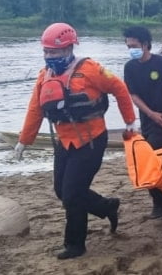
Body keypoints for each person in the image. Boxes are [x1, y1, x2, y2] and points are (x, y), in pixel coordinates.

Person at [14, 23, 136, 259]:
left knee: (72, 194)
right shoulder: (44, 76)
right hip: (65, 141)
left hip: (91, 141)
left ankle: (75, 245)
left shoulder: (91, 69)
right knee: (61, 190)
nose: (50, 56)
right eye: (47, 52)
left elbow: (119, 88)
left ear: (69, 48)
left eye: (55, 52)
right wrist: (24, 141)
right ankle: (106, 206)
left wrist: (129, 120)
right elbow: (35, 110)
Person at [123, 26, 162, 219]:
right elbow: (133, 95)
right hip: (148, 120)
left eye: (134, 45)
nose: (131, 49)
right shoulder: (130, 67)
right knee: (147, 159)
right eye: (129, 45)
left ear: (146, 44)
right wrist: (150, 113)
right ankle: (158, 201)